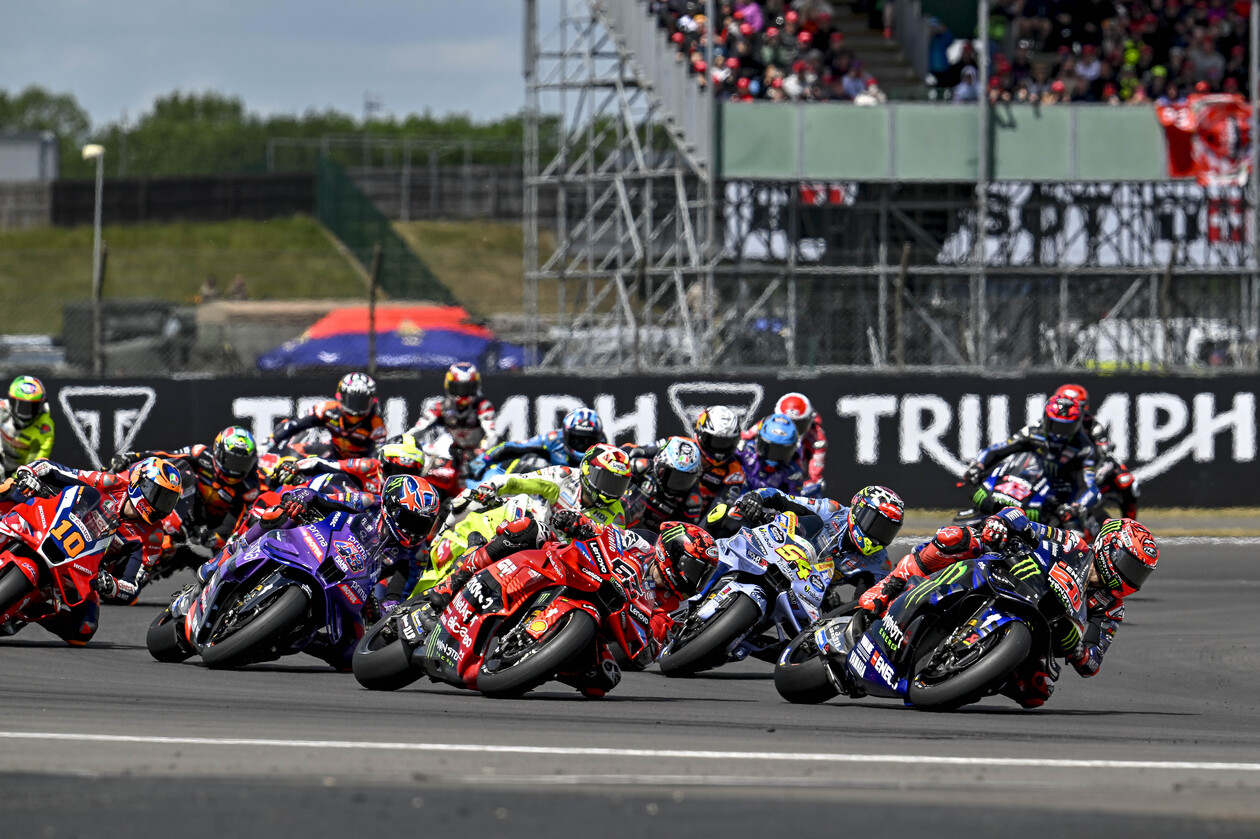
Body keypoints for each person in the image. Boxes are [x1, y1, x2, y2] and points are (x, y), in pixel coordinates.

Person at [860, 506, 1159, 709]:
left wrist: (1078, 649)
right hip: (1008, 576)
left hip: (1044, 629)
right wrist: (1001, 523)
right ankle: (891, 584)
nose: (1131, 578)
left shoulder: (1111, 608)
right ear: (1109, 548)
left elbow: (1092, 663)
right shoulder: (1071, 543)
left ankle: (966, 673)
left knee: (1036, 691)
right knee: (957, 538)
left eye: (1140, 574)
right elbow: (1021, 520)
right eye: (1130, 566)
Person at [422, 511, 719, 697]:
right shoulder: (640, 545)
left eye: (702, 575)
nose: (695, 580)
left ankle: (534, 662)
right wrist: (578, 523)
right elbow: (602, 532)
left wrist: (633, 618)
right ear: (673, 552)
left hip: (598, 622)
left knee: (603, 679)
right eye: (694, 569)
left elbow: (647, 652)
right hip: (563, 569)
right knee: (527, 528)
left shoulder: (676, 607)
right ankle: (451, 585)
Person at [203, 475, 440, 669]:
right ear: (390, 507)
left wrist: (383, 611)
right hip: (319, 545)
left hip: (353, 588)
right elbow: (321, 498)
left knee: (351, 655)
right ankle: (223, 558)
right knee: (279, 514)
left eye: (423, 525)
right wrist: (301, 499)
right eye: (409, 520)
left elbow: (396, 596)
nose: (415, 531)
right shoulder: (369, 502)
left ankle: (297, 638)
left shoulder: (416, 555)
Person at [8, 456, 182, 609]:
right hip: (53, 529)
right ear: (138, 481)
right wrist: (29, 473)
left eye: (168, 500)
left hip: (82, 571)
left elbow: (133, 587)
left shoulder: (153, 536)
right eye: (157, 494)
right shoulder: (110, 483)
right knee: (11, 490)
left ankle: (30, 612)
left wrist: (111, 585)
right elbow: (55, 469)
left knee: (85, 627)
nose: (161, 505)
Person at [730, 484, 905, 612]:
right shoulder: (832, 510)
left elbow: (863, 607)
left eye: (886, 531)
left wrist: (836, 607)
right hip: (777, 553)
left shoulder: (879, 563)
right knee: (726, 514)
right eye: (874, 524)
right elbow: (782, 498)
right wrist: (756, 498)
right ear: (857, 511)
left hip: (809, 593)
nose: (877, 535)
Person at [114, 425, 261, 553]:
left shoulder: (250, 486)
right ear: (218, 451)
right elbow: (166, 455)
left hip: (212, 526)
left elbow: (235, 521)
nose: (235, 469)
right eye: (232, 460)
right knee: (182, 469)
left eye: (243, 463)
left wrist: (214, 537)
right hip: (189, 508)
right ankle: (165, 519)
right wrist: (132, 457)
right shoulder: (201, 453)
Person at [961, 395, 1101, 527]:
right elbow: (998, 450)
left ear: (1077, 425)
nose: (1059, 433)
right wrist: (977, 466)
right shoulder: (1032, 432)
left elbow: (1091, 487)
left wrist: (1075, 507)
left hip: (1057, 502)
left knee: (1076, 532)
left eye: (1066, 427)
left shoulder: (1085, 448)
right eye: (1054, 425)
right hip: (1026, 487)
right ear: (1046, 419)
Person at [464, 443, 633, 528]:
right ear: (587, 470)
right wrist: (492, 485)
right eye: (606, 480)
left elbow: (609, 555)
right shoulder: (563, 476)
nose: (609, 490)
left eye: (617, 484)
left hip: (565, 564)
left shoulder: (617, 515)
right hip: (533, 537)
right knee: (517, 503)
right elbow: (519, 481)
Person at [1050, 383, 1138, 519]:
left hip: (1086, 468)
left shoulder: (1092, 425)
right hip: (1055, 468)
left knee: (1126, 480)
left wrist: (1098, 471)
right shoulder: (1046, 423)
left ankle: (1130, 522)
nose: (1067, 411)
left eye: (1076, 406)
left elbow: (1106, 452)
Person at [404, 362, 497, 476]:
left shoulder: (483, 406)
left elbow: (492, 436)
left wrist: (480, 453)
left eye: (467, 388)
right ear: (448, 386)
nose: (462, 394)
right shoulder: (440, 407)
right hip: (452, 454)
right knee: (442, 441)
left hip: (478, 457)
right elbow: (416, 431)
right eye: (458, 388)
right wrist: (405, 443)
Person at [271, 372, 386, 461]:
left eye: (362, 401)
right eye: (353, 400)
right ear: (341, 396)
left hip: (358, 465)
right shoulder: (326, 409)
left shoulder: (377, 426)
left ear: (372, 401)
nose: (356, 407)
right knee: (295, 448)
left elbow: (376, 460)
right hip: (332, 454)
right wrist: (271, 442)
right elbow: (294, 424)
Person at [471, 407, 603, 480]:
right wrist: (482, 460)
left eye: (589, 441)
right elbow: (512, 447)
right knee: (530, 462)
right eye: (576, 439)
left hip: (587, 496)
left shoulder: (604, 449)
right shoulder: (553, 439)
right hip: (553, 488)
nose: (582, 445)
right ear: (565, 434)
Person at [273, 439, 427, 499]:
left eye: (410, 472)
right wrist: (295, 466)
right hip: (356, 520)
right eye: (396, 469)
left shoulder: (421, 492)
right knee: (337, 482)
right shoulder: (368, 466)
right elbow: (326, 464)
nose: (401, 477)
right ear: (383, 462)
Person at [744, 393, 827, 493]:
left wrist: (804, 486)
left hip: (794, 472)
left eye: (798, 424)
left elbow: (816, 471)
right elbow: (746, 437)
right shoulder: (768, 422)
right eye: (786, 421)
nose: (791, 429)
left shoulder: (817, 436)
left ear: (809, 419)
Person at [622, 436, 705, 535]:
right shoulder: (641, 467)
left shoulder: (692, 501)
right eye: (674, 476)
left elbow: (687, 534)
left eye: (685, 479)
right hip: (621, 521)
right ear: (660, 465)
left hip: (650, 537)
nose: (677, 483)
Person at [735, 412, 809, 495]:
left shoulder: (792, 472)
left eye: (782, 451)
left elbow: (794, 499)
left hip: (767, 502)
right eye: (769, 448)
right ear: (759, 439)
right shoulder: (744, 450)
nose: (774, 456)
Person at [691, 406, 747, 511]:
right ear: (701, 433)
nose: (719, 449)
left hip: (702, 516)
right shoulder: (679, 446)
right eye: (715, 441)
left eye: (726, 443)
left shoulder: (735, 471)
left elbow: (719, 509)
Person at [1, 376, 55, 477]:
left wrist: (9, 481)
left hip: (17, 473)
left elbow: (33, 468)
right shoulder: (2, 408)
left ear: (41, 406)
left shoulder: (44, 431)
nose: (25, 413)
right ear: (11, 401)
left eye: (32, 407)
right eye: (20, 405)